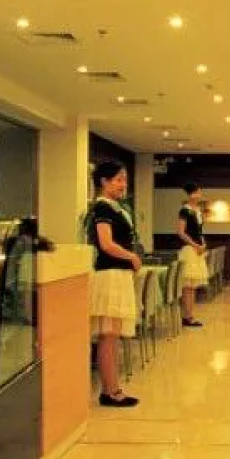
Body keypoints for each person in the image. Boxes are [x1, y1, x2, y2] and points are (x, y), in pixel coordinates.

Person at [87, 159, 141, 407]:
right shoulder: (103, 207)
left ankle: (111, 389)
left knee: (112, 336)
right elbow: (106, 244)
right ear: (104, 182)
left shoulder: (114, 207)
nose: (123, 184)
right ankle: (111, 391)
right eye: (118, 179)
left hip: (117, 275)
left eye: (124, 179)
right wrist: (131, 257)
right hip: (110, 276)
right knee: (109, 336)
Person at [177, 183, 208, 327]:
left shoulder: (198, 211)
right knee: (188, 286)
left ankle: (190, 315)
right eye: (197, 192)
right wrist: (195, 245)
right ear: (191, 194)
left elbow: (199, 232)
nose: (199, 195)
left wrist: (203, 244)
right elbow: (181, 232)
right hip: (189, 250)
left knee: (193, 286)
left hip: (198, 250)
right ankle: (187, 316)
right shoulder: (185, 210)